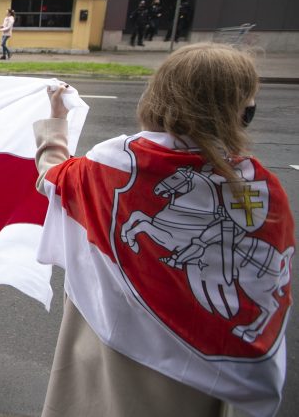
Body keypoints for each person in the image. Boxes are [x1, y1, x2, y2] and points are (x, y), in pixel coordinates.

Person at [32, 43, 293, 416]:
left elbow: (52, 178)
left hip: (107, 360)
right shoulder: (258, 187)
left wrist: (57, 119)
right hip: (196, 385)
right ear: (237, 114)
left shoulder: (108, 165)